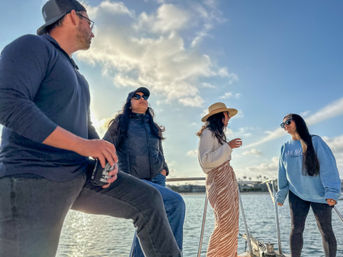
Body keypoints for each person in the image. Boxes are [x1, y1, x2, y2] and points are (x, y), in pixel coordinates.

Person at [0, 1, 181, 257]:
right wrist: (84, 146)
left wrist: (102, 151)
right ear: (73, 16)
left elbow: (84, 126)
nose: (93, 31)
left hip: (79, 174)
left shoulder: (79, 77)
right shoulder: (32, 46)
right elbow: (7, 103)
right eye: (90, 22)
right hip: (32, 175)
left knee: (149, 200)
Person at [103, 87, 185, 257]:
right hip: (134, 181)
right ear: (129, 103)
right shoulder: (121, 123)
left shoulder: (153, 126)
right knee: (176, 203)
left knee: (148, 223)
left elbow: (160, 151)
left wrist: (164, 170)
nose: (142, 98)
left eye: (145, 97)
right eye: (137, 96)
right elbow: (105, 147)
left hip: (157, 179)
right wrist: (112, 172)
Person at [276, 113, 341, 257]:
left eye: (288, 122)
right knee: (296, 228)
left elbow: (328, 166)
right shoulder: (285, 147)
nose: (285, 126)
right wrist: (281, 195)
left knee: (326, 230)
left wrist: (331, 192)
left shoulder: (315, 141)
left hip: (320, 195)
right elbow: (282, 173)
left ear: (298, 122)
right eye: (283, 124)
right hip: (297, 194)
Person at [197, 102, 242, 257]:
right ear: (221, 115)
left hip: (227, 179)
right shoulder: (207, 133)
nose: (229, 118)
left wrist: (227, 146)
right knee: (225, 224)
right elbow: (205, 161)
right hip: (218, 180)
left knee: (232, 222)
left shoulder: (218, 134)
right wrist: (228, 146)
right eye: (227, 115)